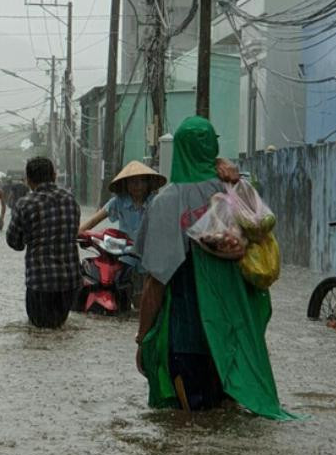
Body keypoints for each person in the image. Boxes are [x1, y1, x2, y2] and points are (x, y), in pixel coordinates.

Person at [134, 116, 294, 419]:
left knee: (189, 428)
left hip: (186, 340)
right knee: (227, 419)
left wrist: (142, 338)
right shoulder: (239, 191)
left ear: (179, 149)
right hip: (235, 338)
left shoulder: (166, 202)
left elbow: (155, 283)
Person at [5, 156, 80, 328]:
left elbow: (14, 242)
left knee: (39, 333)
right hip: (69, 282)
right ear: (54, 176)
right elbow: (73, 232)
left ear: (29, 180)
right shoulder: (71, 200)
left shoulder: (25, 204)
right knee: (59, 330)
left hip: (40, 282)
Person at [78, 160, 166, 247]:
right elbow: (94, 220)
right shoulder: (119, 201)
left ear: (148, 183)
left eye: (142, 180)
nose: (138, 185)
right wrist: (76, 234)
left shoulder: (156, 202)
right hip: (125, 255)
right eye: (132, 181)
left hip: (149, 254)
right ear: (126, 184)